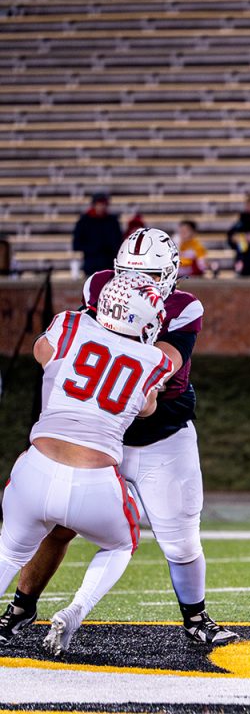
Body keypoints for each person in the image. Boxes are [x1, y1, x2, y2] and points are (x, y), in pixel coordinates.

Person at [0, 230, 239, 649]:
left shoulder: (182, 308)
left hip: (161, 437)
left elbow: (162, 365)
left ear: (167, 275)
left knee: (180, 539)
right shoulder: (98, 285)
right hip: (101, 433)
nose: (130, 282)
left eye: (143, 274)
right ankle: (21, 606)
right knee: (56, 527)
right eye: (126, 273)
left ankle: (196, 616)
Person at [0, 273, 169, 655]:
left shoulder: (69, 323)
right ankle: (76, 609)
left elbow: (41, 353)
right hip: (95, 484)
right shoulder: (155, 359)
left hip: (36, 469)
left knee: (9, 552)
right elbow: (147, 407)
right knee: (121, 545)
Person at [72, 193, 123, 276]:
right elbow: (77, 244)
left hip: (109, 265)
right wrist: (94, 248)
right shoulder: (84, 222)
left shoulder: (112, 221)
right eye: (99, 204)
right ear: (94, 205)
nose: (101, 207)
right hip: (91, 265)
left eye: (104, 204)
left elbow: (118, 242)